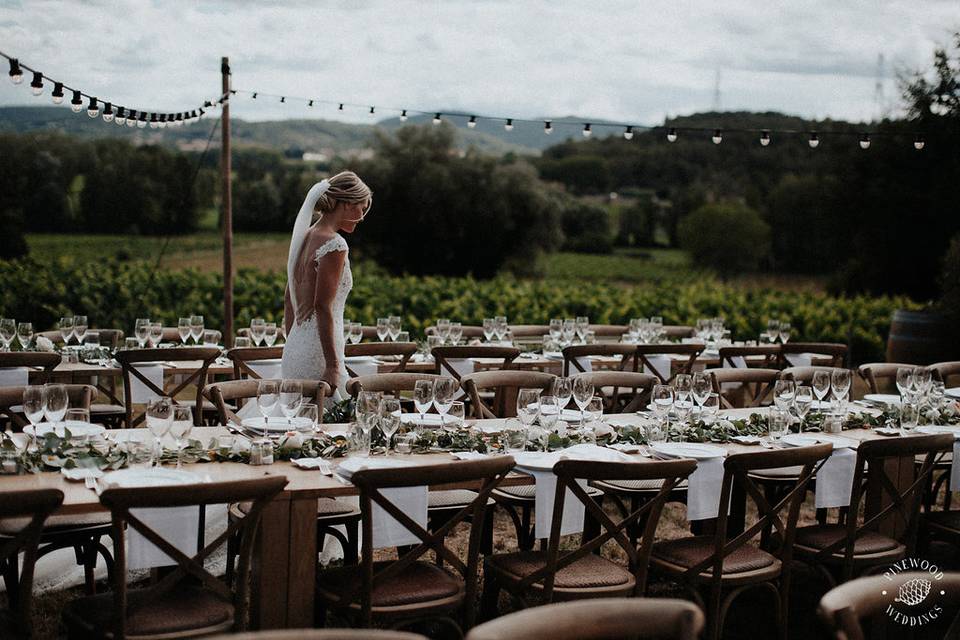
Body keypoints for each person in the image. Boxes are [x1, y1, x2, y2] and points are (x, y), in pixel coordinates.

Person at [281, 171, 372, 398]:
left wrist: (294, 341)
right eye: (361, 208)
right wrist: (332, 365)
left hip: (295, 348)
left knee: (298, 423)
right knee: (333, 426)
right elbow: (322, 306)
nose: (362, 217)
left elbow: (288, 298)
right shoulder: (334, 244)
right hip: (319, 355)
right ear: (346, 204)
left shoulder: (305, 236)